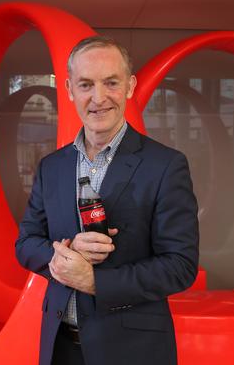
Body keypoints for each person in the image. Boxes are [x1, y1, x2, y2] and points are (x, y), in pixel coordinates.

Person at [15, 35, 199, 365]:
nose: (98, 98)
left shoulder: (166, 165)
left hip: (131, 351)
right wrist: (65, 257)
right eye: (86, 85)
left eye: (110, 82)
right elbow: (26, 243)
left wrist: (95, 281)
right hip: (59, 346)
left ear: (129, 86)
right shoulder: (51, 167)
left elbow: (180, 266)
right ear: (70, 90)